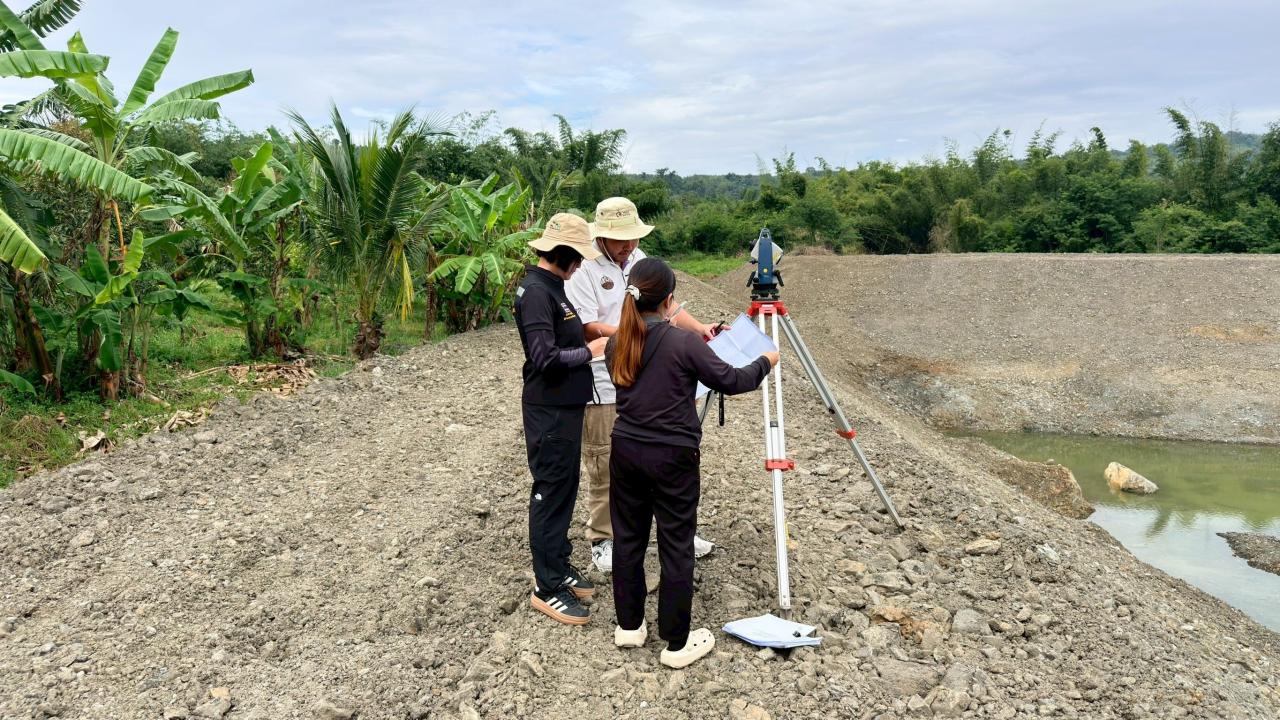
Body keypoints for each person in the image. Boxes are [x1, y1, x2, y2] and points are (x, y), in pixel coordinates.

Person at [605, 258, 779, 668]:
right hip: (673, 456)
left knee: (628, 539)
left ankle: (629, 626)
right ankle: (676, 644)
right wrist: (766, 361)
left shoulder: (618, 343)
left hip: (625, 450)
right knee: (675, 544)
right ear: (669, 300)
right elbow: (733, 381)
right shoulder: (683, 343)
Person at [565, 196, 722, 573]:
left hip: (648, 378)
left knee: (663, 453)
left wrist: (700, 329)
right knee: (605, 460)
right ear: (602, 235)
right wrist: (639, 334)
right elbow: (587, 326)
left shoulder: (639, 259)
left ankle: (676, 531)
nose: (629, 245)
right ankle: (603, 538)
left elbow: (669, 307)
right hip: (604, 380)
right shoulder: (585, 268)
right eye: (621, 239)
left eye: (632, 237)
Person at [514, 213, 609, 625]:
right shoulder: (538, 292)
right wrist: (592, 352)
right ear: (565, 253)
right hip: (549, 410)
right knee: (550, 492)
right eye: (579, 256)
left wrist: (596, 336)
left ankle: (558, 564)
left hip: (565, 407)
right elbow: (544, 357)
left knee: (565, 487)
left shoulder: (553, 287)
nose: (581, 264)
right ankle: (547, 586)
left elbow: (562, 336)